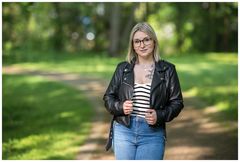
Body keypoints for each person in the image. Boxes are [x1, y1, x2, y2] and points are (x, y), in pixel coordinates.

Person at [103, 22, 184, 160]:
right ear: (133, 46)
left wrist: (160, 115)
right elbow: (108, 97)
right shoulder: (123, 69)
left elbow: (177, 102)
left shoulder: (168, 70)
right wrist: (120, 106)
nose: (142, 45)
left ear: (154, 41)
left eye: (146, 39)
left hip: (152, 133)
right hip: (123, 130)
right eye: (137, 41)